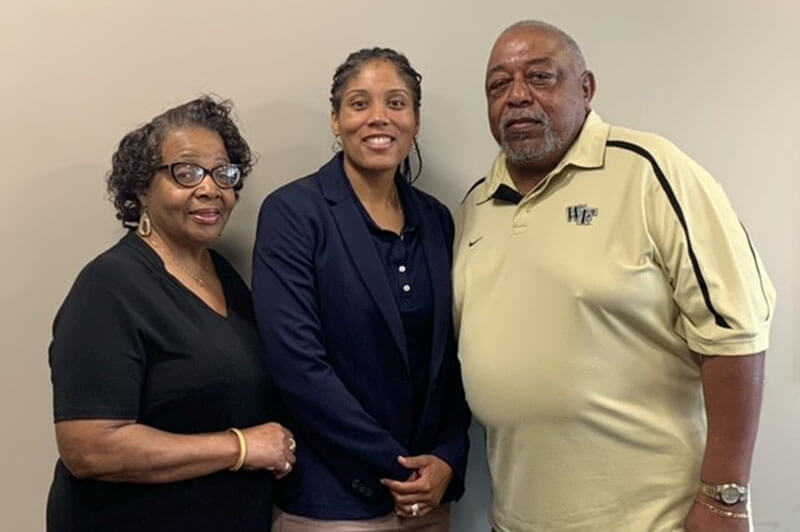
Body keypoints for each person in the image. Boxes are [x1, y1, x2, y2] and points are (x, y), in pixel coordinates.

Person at [453, 20, 776, 532]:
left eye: (540, 77)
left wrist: (725, 498)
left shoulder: (650, 170)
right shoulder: (476, 205)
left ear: (586, 88)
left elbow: (736, 332)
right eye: (499, 85)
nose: (516, 96)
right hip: (516, 519)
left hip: (651, 520)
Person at [47, 96, 296, 532]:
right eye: (186, 172)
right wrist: (239, 447)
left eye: (224, 173)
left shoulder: (225, 277)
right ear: (142, 187)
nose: (209, 188)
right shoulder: (109, 287)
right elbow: (89, 447)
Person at [252, 48, 470, 531]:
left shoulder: (436, 219)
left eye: (396, 103)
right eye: (359, 103)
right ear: (335, 120)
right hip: (334, 500)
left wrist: (447, 460)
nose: (379, 118)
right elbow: (298, 369)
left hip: (428, 498)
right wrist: (397, 467)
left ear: (414, 120)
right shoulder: (294, 214)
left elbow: (454, 356)